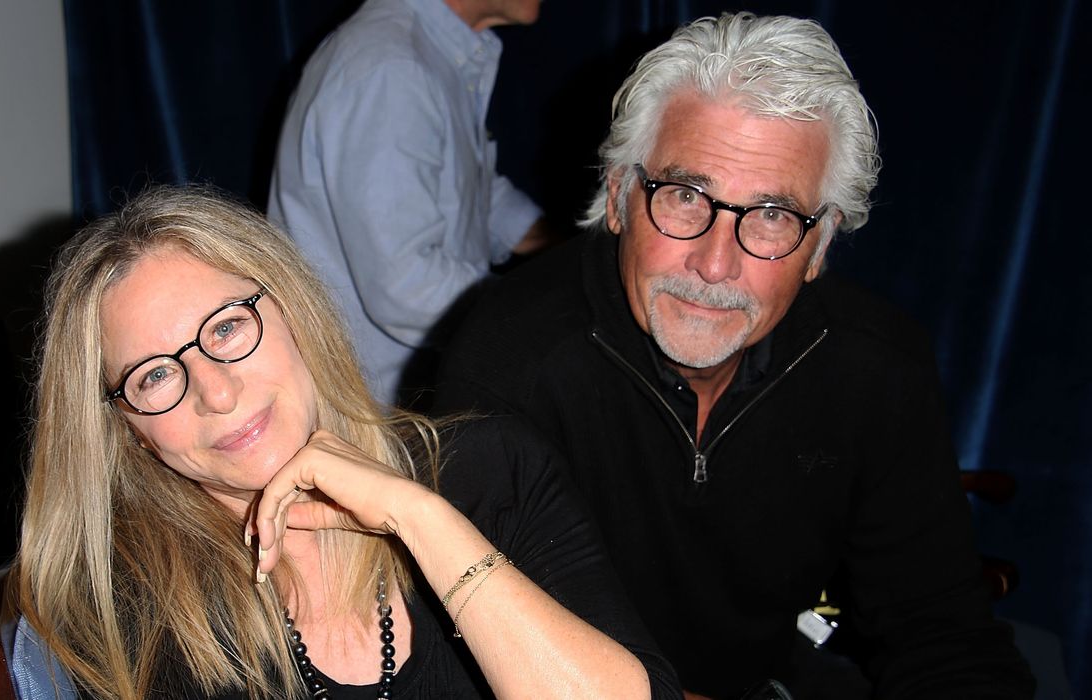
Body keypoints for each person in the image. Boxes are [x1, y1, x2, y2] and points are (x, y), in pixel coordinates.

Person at [434, 12, 1035, 699]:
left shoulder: (874, 368)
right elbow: (471, 654)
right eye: (685, 196)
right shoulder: (509, 360)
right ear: (617, 197)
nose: (715, 264)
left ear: (820, 246)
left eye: (773, 215)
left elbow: (943, 636)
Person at [9, 186, 679, 699]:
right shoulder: (135, 614)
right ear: (129, 432)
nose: (216, 392)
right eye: (155, 376)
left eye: (225, 328)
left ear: (294, 311)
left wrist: (419, 518)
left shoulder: (489, 470)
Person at [267, 0, 556, 406]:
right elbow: (405, 284)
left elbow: (476, 193)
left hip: (399, 399)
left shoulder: (422, 52)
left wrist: (572, 250)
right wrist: (550, 314)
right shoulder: (391, 66)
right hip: (380, 414)